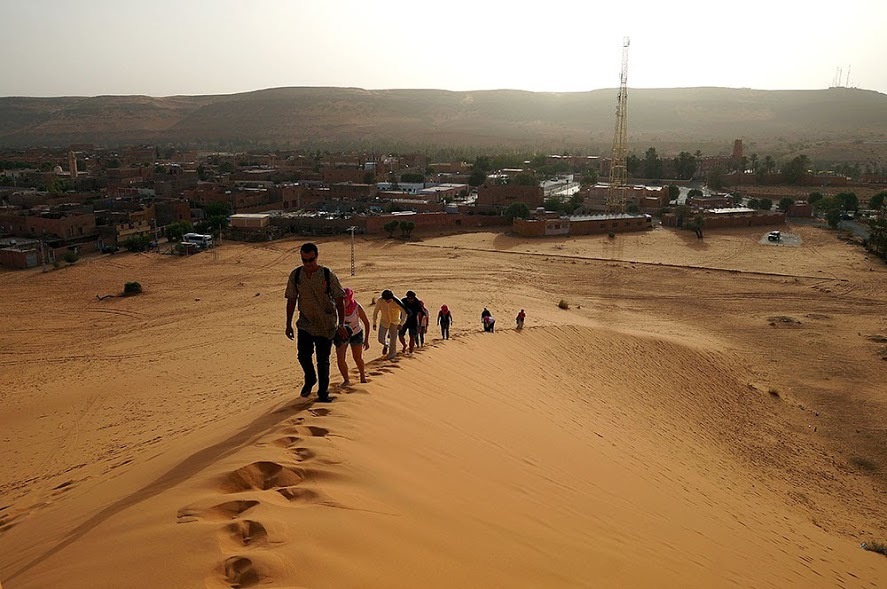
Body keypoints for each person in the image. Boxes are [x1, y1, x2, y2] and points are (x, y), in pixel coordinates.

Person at [285, 242, 347, 403]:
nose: (308, 263)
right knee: (303, 356)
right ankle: (310, 378)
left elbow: (340, 300)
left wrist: (341, 325)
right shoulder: (296, 275)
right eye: (304, 260)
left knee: (323, 360)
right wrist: (288, 323)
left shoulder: (327, 275)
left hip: (326, 324)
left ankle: (323, 393)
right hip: (305, 323)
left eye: (311, 260)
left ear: (316, 257)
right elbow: (291, 299)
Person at [335, 288, 371, 385]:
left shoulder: (357, 307)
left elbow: (366, 323)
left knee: (357, 357)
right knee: (340, 358)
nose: (343, 302)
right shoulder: (336, 307)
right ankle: (346, 380)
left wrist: (366, 340)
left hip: (356, 333)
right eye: (341, 299)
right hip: (343, 334)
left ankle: (362, 376)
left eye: (345, 300)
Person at [373, 289, 408, 360]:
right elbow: (375, 312)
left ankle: (392, 356)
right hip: (384, 321)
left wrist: (401, 323)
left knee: (393, 341)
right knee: (380, 339)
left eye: (389, 300)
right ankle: (386, 345)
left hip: (394, 322)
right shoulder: (380, 301)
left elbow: (404, 312)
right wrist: (374, 323)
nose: (387, 301)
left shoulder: (397, 302)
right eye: (386, 300)